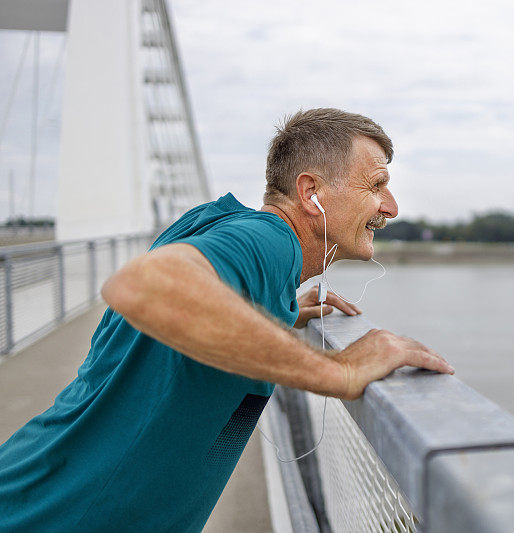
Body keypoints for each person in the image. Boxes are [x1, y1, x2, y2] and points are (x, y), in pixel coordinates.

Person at [0, 108, 454, 531]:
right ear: (311, 192)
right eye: (376, 186)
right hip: (53, 514)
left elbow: (194, 305)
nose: (391, 208)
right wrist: (341, 371)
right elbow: (145, 285)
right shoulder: (271, 239)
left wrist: (277, 313)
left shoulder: (229, 229)